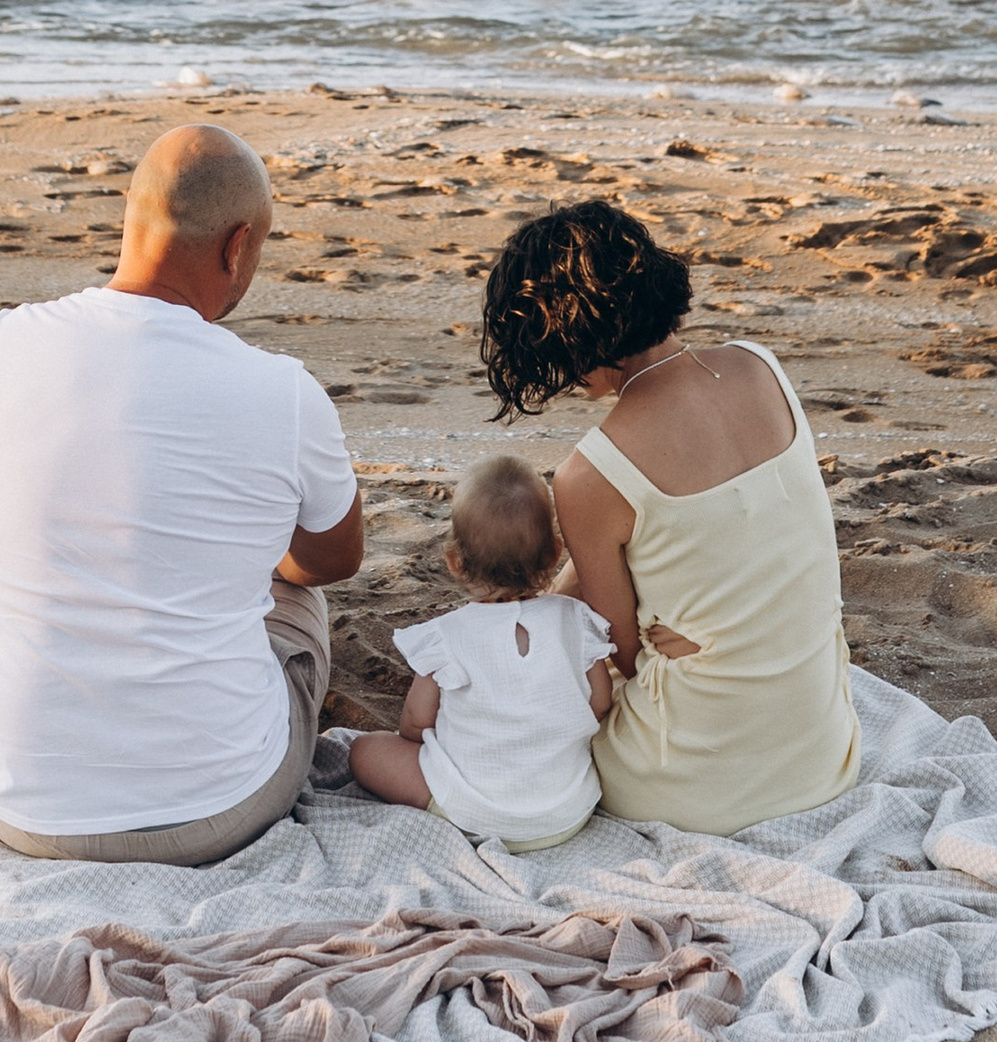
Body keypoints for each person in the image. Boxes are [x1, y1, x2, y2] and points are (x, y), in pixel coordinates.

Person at [0, 121, 364, 863]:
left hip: (17, 805)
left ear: (132, 218)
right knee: (293, 573)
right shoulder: (285, 391)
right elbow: (332, 560)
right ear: (237, 246)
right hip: (221, 808)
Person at [479, 197, 859, 834]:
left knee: (549, 706)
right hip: (823, 753)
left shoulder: (591, 473)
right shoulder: (760, 365)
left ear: (570, 336)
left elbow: (623, 655)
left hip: (691, 782)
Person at [348, 455, 615, 851]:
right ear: (554, 553)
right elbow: (600, 703)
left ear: (454, 562)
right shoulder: (578, 620)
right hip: (566, 813)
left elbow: (415, 725)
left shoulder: (446, 636)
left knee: (364, 751)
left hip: (473, 811)